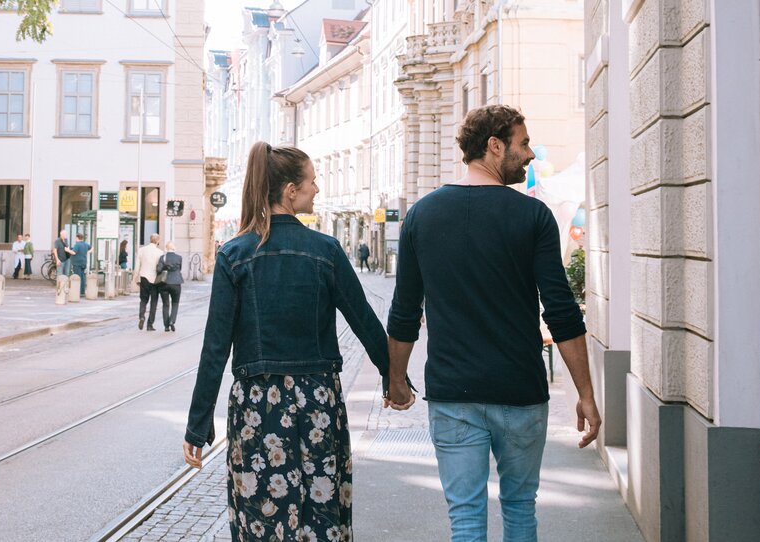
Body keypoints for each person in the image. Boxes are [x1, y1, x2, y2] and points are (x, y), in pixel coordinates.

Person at [384, 105, 601, 542]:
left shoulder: (422, 216)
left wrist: (397, 381)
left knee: (465, 519)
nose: (530, 154)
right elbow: (561, 310)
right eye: (524, 143)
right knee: (520, 509)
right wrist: (585, 393)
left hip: (453, 393)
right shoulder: (532, 216)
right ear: (495, 146)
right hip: (520, 392)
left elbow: (405, 312)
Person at [183, 141, 403, 542]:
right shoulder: (326, 251)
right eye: (312, 181)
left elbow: (215, 347)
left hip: (257, 407)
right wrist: (394, 378)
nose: (317, 189)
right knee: (321, 516)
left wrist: (198, 426)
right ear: (290, 190)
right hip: (318, 401)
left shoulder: (234, 255)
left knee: (262, 518)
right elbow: (365, 321)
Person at [133, 234, 164, 330]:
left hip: (144, 277)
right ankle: (150, 324)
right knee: (154, 302)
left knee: (143, 299)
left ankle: (142, 316)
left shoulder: (142, 250)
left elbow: (137, 266)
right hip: (155, 280)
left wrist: (135, 278)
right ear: (158, 241)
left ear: (150, 240)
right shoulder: (160, 252)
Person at [156, 241, 183, 332]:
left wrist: (164, 267)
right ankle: (172, 320)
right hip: (176, 282)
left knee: (165, 304)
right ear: (174, 248)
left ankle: (166, 326)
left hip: (164, 283)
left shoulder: (163, 257)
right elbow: (179, 269)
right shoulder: (179, 257)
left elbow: (158, 270)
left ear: (166, 248)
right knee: (175, 303)